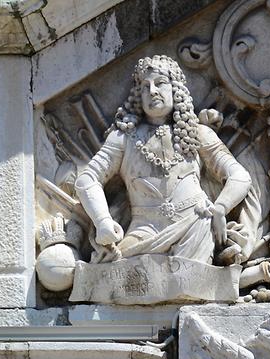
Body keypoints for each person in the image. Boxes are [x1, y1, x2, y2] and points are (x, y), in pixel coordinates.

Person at [74, 55, 252, 265]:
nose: (152, 91)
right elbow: (87, 179)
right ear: (138, 96)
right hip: (143, 233)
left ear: (175, 88)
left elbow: (239, 175)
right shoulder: (123, 138)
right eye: (145, 87)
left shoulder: (198, 133)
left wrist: (221, 207)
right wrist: (102, 221)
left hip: (195, 226)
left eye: (160, 83)